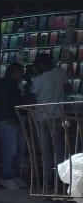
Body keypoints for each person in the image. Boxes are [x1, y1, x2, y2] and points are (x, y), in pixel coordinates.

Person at [31, 53, 68, 192]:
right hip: (58, 116)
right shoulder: (60, 73)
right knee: (58, 151)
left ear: (40, 65)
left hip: (41, 117)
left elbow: (32, 97)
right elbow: (68, 87)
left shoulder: (38, 80)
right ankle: (60, 180)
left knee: (45, 152)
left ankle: (48, 183)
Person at [0, 62, 26, 190]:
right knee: (10, 150)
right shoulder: (6, 86)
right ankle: (6, 176)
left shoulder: (14, 85)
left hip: (15, 119)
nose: (22, 75)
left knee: (18, 149)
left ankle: (13, 175)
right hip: (8, 119)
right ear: (13, 72)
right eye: (20, 72)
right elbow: (5, 103)